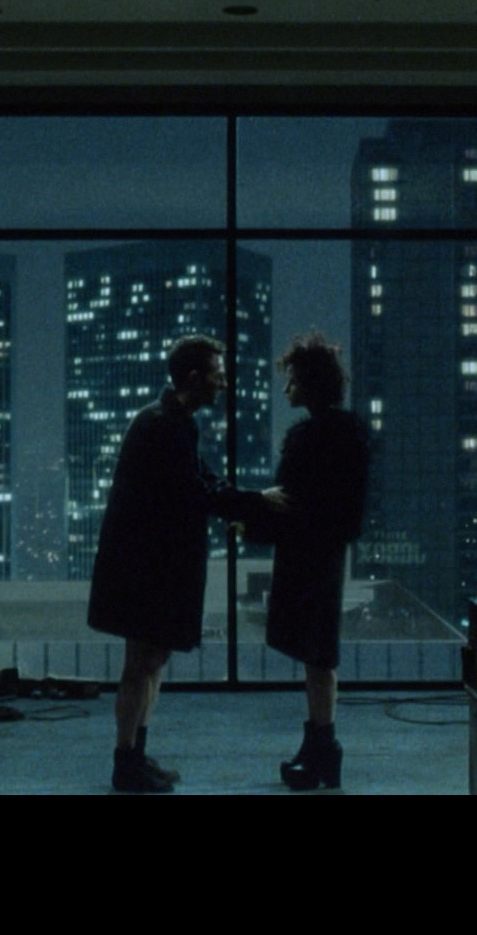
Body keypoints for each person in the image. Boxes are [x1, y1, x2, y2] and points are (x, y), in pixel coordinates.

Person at [86, 334, 249, 793]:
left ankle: (134, 757)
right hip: (147, 570)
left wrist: (239, 500)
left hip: (149, 567)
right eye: (217, 375)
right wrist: (250, 503)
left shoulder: (168, 421)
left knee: (150, 661)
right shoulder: (166, 426)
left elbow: (198, 480)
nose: (223, 384)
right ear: (194, 378)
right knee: (141, 664)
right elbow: (192, 491)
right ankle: (126, 763)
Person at [251, 331, 370, 791]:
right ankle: (322, 747)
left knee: (315, 653)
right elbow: (348, 509)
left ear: (310, 383)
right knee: (319, 654)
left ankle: (322, 747)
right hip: (327, 554)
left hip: (305, 556)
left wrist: (253, 520)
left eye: (293, 380)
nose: (287, 389)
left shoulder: (307, 437)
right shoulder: (349, 433)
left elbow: (287, 499)